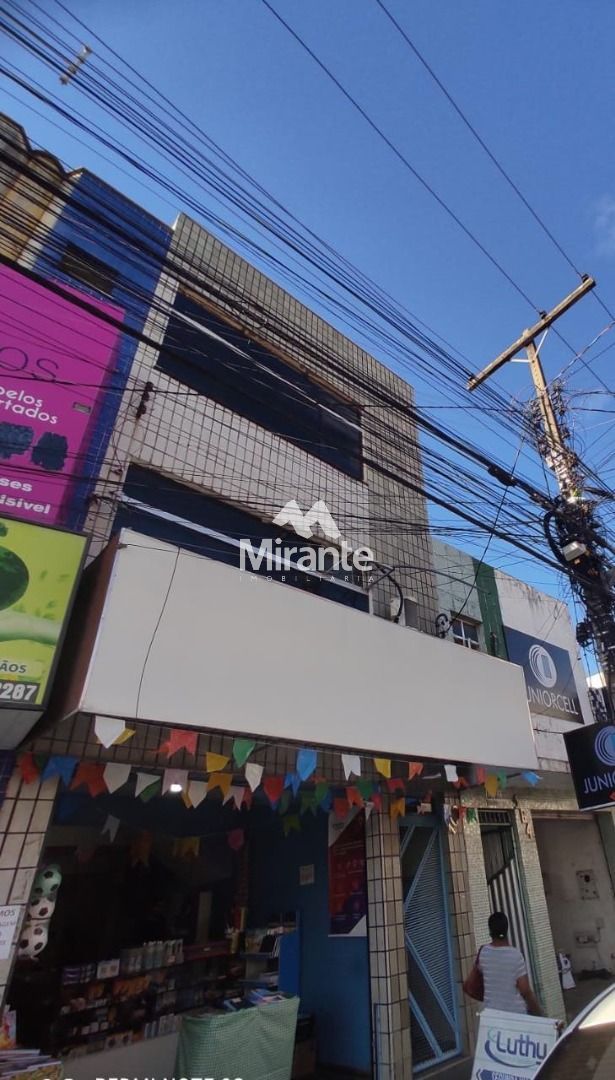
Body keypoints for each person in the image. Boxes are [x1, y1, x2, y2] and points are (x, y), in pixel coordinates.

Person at [479, 911, 543, 1016]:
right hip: (514, 1016)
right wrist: (539, 1013)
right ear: (506, 930)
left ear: (490, 931)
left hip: (491, 1015)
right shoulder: (516, 955)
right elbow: (525, 991)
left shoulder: (483, 952)